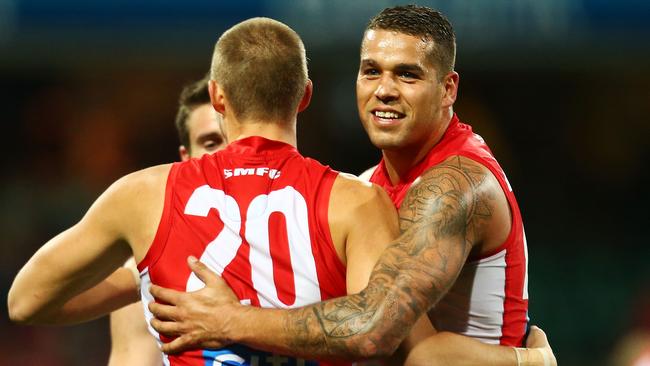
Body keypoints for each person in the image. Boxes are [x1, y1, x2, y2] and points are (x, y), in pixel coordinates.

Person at [146, 6, 556, 365]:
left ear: (448, 89)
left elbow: (378, 333)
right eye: (371, 71)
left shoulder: (455, 187)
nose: (385, 91)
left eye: (407, 75)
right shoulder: (365, 190)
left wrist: (231, 321)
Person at [8, 17, 399, 365]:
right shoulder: (358, 202)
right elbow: (377, 334)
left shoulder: (144, 196)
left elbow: (26, 301)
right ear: (305, 97)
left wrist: (149, 282)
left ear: (217, 97)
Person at [108, 76, 226, 366]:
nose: (227, 155)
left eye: (237, 141)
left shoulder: (319, 232)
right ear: (186, 160)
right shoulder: (150, 273)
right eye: (211, 142)